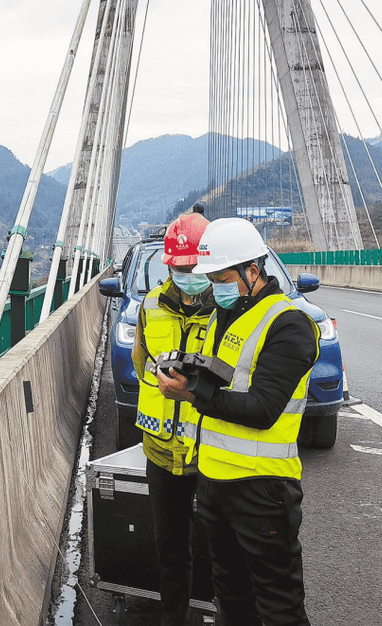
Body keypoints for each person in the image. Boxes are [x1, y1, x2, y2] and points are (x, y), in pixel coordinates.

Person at [157, 217, 318, 626]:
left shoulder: (288, 323)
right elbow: (222, 382)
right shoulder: (221, 316)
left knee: (279, 608)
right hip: (213, 484)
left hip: (261, 490)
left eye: (222, 276)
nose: (215, 287)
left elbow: (263, 409)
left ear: (253, 269)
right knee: (230, 602)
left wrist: (191, 395)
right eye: (211, 278)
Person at [133, 209, 214, 626]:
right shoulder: (151, 306)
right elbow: (141, 361)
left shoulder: (226, 311)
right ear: (169, 265)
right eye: (180, 267)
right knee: (170, 546)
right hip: (161, 451)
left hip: (212, 454)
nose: (187, 274)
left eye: (195, 266)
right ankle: (173, 617)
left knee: (221, 545)